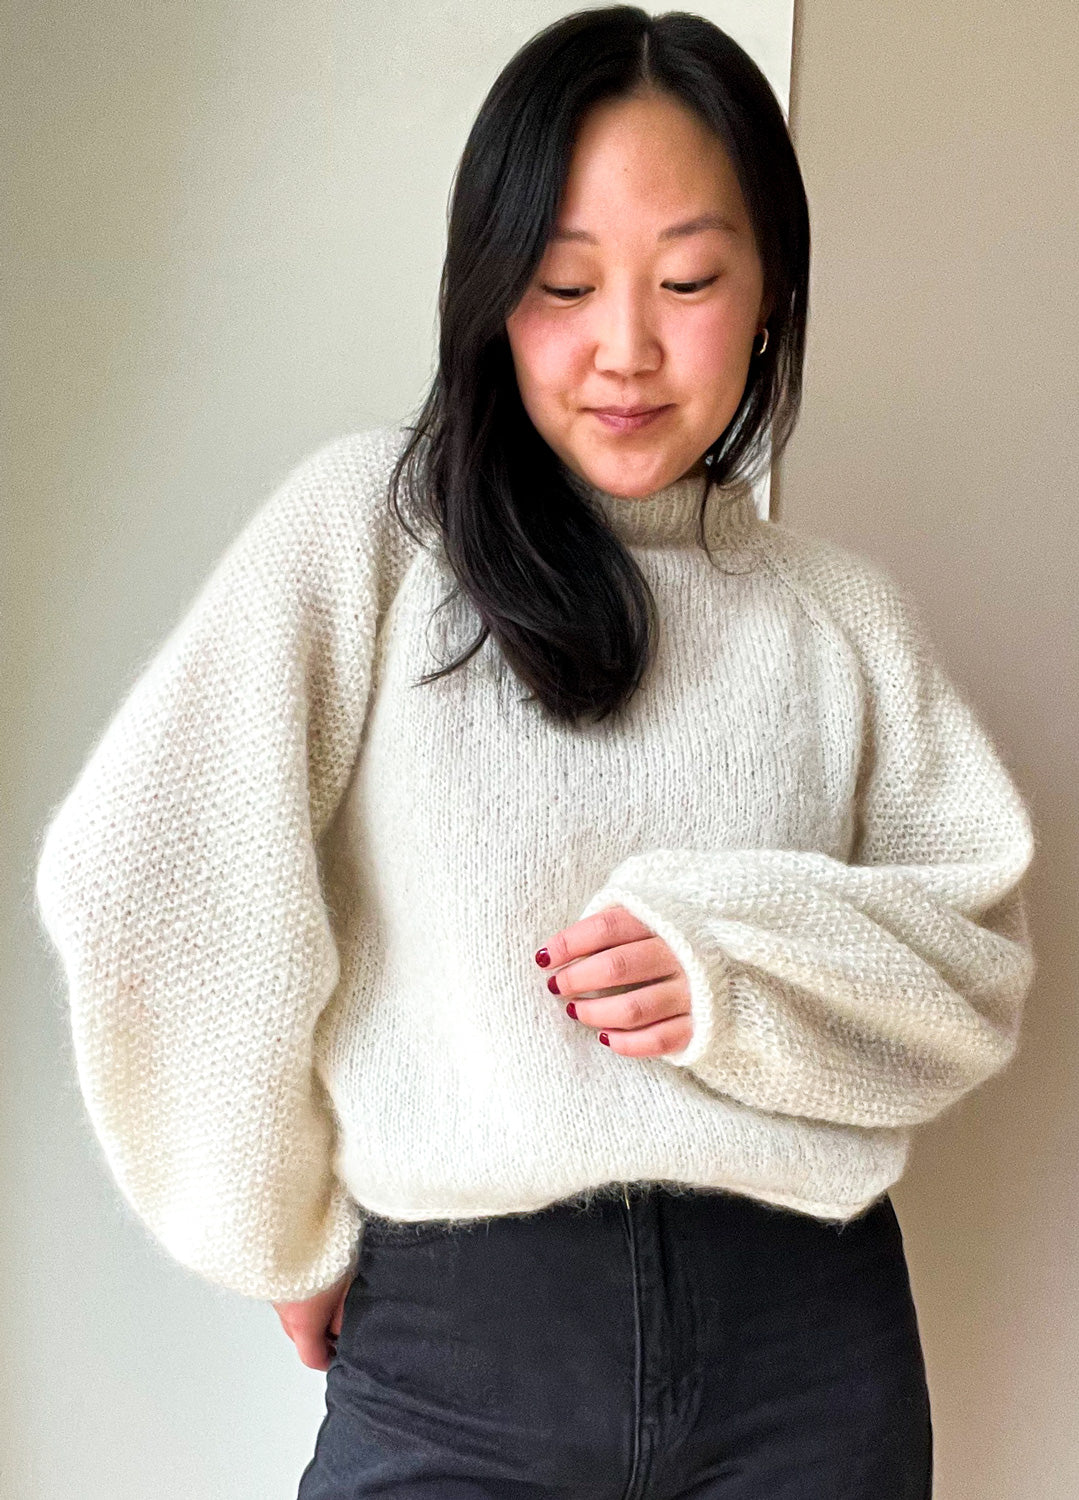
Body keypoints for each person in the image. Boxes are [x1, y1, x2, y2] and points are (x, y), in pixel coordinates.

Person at [33, 7, 1037, 1498]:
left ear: (770, 290)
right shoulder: (371, 542)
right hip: (460, 1354)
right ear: (491, 291)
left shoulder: (839, 619)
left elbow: (975, 967)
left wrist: (733, 961)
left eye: (688, 280)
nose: (626, 348)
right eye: (564, 283)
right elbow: (148, 881)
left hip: (809, 1353)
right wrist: (277, 1232)